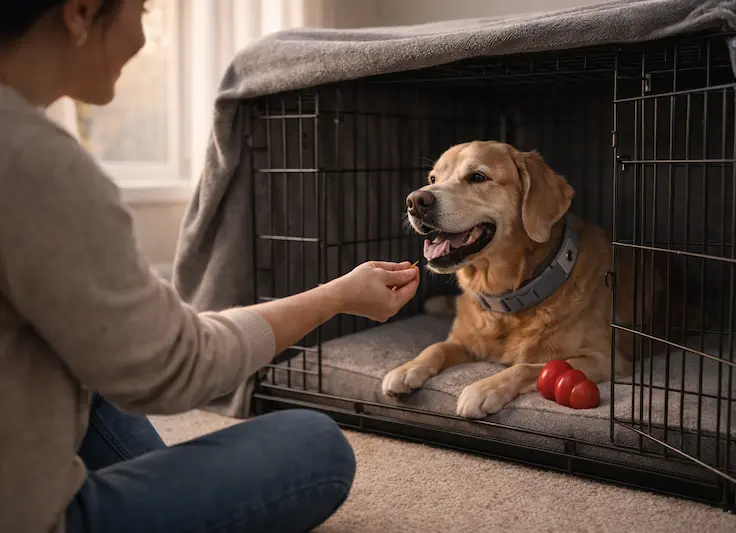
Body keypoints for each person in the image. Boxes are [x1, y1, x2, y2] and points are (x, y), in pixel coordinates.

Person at [0, 1, 421, 532]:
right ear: (81, 13)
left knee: (87, 358)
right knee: (315, 443)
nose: (142, 37)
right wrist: (335, 296)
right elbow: (178, 367)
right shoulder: (36, 165)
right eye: (144, 9)